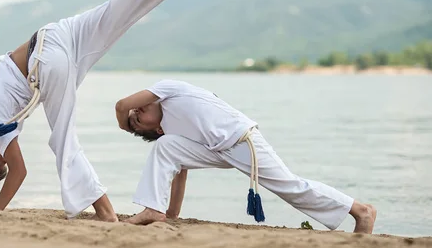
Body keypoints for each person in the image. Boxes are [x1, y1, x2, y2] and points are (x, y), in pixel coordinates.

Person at [0, 0, 232, 222]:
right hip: (52, 36)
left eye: (0, 160)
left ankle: (105, 210)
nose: (6, 156)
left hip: (47, 65)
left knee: (64, 142)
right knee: (117, 12)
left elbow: (19, 172)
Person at [115, 79, 377, 233]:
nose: (137, 110)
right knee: (165, 148)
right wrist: (171, 214)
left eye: (138, 110)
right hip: (218, 150)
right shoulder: (170, 134)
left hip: (242, 140)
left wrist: (123, 123)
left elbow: (121, 106)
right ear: (157, 128)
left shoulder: (168, 89)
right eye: (137, 119)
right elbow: (177, 173)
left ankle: (360, 211)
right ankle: (154, 210)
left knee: (289, 187)